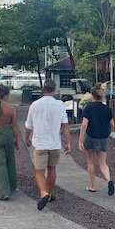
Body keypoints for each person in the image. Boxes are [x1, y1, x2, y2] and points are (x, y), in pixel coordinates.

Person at [25, 79, 71, 210]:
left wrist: (27, 138)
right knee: (52, 169)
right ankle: (50, 194)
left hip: (40, 143)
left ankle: (43, 192)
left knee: (39, 172)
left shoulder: (34, 105)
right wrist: (68, 142)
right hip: (54, 143)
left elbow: (29, 125)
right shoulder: (60, 105)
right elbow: (65, 125)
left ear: (43, 90)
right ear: (54, 90)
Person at [78, 82, 115, 195]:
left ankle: (93, 186)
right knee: (103, 162)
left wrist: (80, 140)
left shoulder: (88, 108)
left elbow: (84, 124)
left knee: (91, 161)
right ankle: (109, 180)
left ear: (92, 96)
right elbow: (112, 124)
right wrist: (108, 133)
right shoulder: (106, 109)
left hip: (91, 137)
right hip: (103, 138)